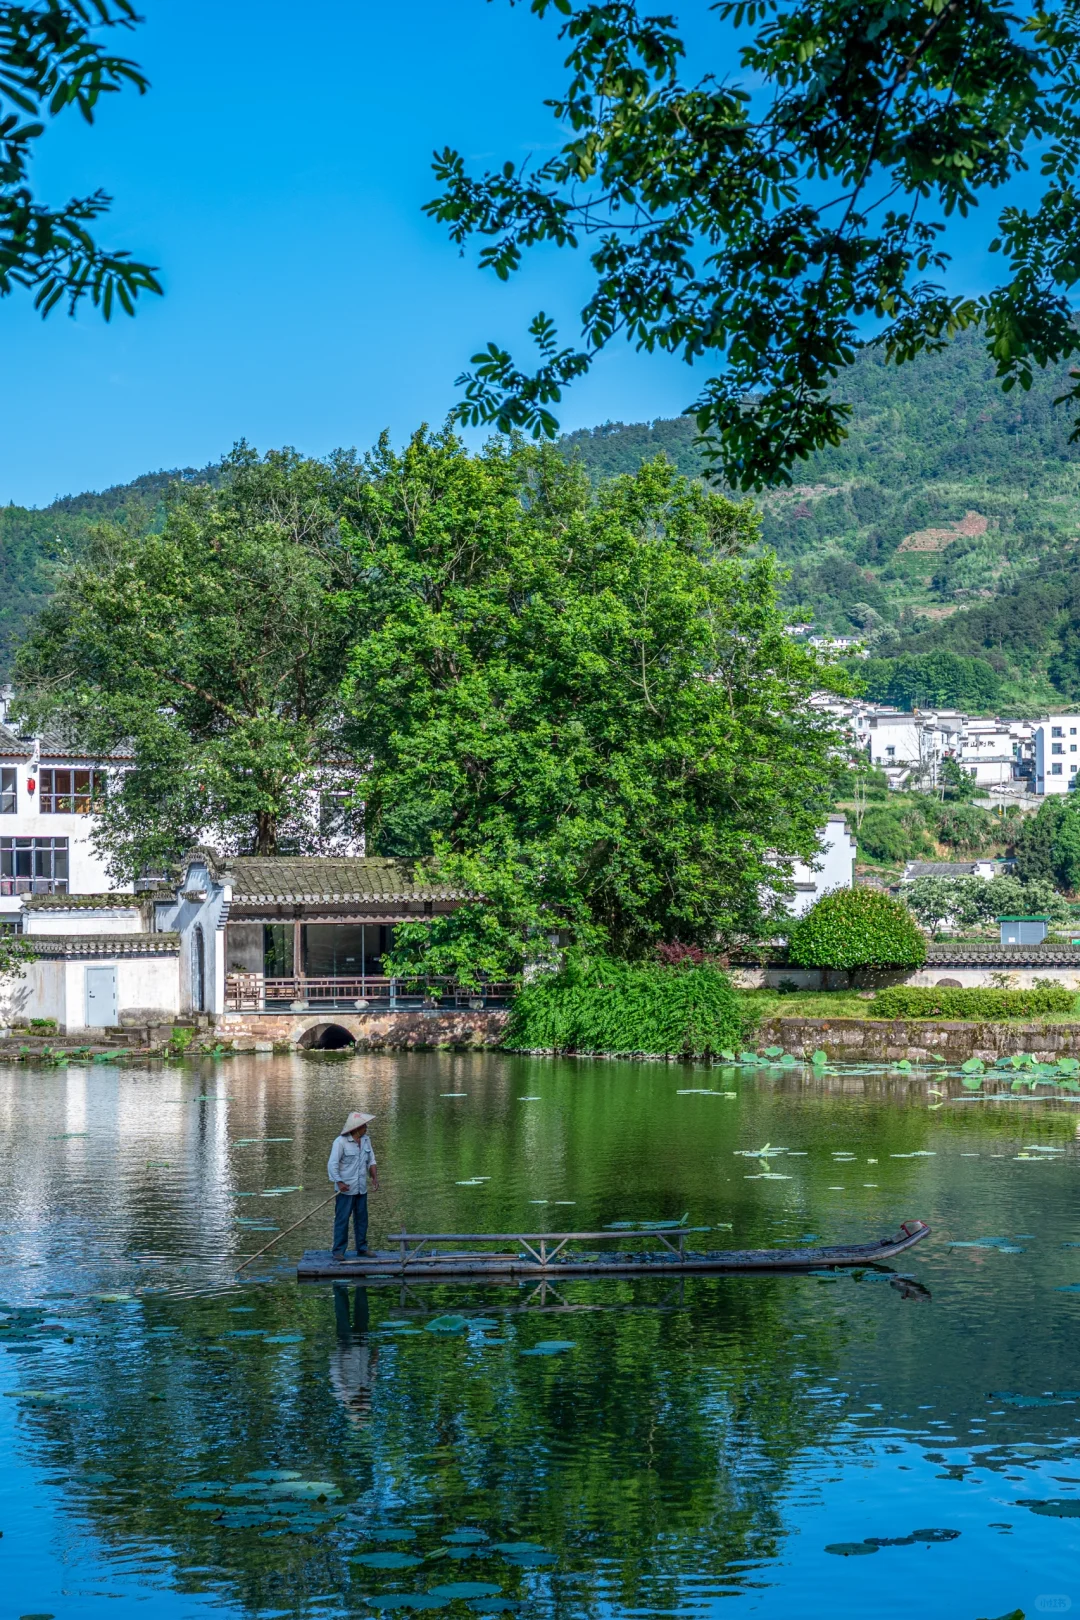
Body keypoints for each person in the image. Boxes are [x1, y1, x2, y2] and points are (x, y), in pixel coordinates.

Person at [327, 1110, 378, 1261]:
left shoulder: (366, 1140)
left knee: (362, 1218)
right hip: (346, 1189)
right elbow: (332, 1164)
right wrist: (339, 1182)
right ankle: (338, 1251)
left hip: (361, 1187)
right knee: (342, 1219)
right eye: (364, 1126)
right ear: (356, 1128)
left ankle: (362, 1248)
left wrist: (374, 1177)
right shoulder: (340, 1142)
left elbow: (372, 1160)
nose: (366, 1128)